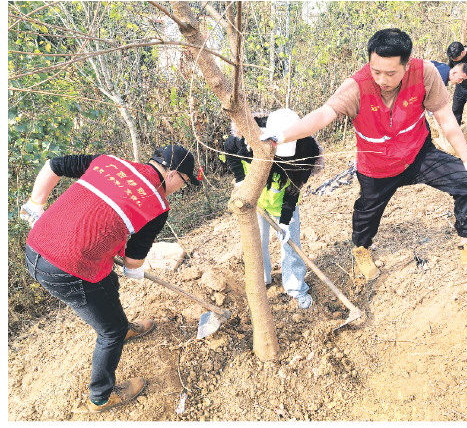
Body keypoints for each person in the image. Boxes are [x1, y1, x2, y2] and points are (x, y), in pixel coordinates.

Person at [259, 28, 467, 281]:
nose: (382, 79)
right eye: (376, 71)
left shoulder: (425, 73)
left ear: (406, 64)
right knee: (366, 213)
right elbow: (323, 115)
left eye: (391, 73)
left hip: (418, 154)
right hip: (376, 165)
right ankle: (361, 251)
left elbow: (446, 120)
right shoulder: (356, 86)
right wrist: (282, 136)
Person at [20, 144, 201, 413]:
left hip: (35, 246)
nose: (181, 188)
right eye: (185, 182)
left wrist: (36, 205)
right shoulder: (157, 204)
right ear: (173, 173)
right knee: (110, 332)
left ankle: (123, 326)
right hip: (68, 270)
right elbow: (133, 260)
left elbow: (54, 165)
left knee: (107, 284)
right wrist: (133, 269)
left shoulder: (108, 162)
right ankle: (101, 397)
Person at [224, 109, 323, 309]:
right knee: (256, 242)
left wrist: (285, 220)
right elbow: (228, 150)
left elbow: (294, 189)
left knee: (291, 244)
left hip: (281, 201)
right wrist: (241, 180)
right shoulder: (246, 139)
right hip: (255, 200)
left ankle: (295, 287)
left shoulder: (306, 151)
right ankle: (261, 279)